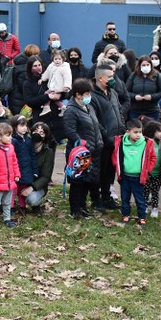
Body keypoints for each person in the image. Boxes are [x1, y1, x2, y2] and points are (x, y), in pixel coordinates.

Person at [64, 78, 104, 218]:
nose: (89, 96)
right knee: (77, 182)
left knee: (88, 180)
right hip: (80, 152)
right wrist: (83, 143)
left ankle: (83, 206)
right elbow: (70, 131)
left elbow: (95, 125)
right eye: (86, 94)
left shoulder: (89, 107)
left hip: (94, 150)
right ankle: (75, 209)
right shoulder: (71, 110)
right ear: (78, 95)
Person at [90, 64, 124, 211]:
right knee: (99, 171)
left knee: (110, 172)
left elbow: (120, 112)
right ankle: (96, 200)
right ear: (100, 78)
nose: (113, 79)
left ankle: (106, 197)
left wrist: (122, 127)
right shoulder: (92, 96)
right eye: (110, 77)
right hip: (102, 141)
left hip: (115, 140)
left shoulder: (113, 93)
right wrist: (106, 136)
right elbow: (95, 120)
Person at [112, 118, 156, 225]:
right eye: (135, 132)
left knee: (139, 198)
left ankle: (142, 217)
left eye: (140, 132)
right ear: (128, 132)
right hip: (125, 177)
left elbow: (152, 158)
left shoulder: (146, 143)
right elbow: (115, 156)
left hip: (138, 177)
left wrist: (147, 170)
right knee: (125, 198)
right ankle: (125, 215)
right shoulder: (121, 142)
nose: (138, 135)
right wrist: (117, 168)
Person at [0, 122, 20, 228]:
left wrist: (17, 174)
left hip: (10, 180)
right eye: (8, 135)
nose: (11, 137)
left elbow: (14, 161)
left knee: (7, 202)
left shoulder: (11, 147)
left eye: (11, 135)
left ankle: (7, 219)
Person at [11, 115, 38, 215]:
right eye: (21, 125)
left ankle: (22, 206)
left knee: (23, 188)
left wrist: (34, 170)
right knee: (14, 189)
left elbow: (33, 155)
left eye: (25, 125)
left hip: (27, 169)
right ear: (15, 127)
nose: (24, 128)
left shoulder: (28, 140)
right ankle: (11, 207)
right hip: (16, 168)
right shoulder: (13, 140)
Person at [126, 54, 161, 120]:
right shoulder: (133, 75)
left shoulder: (156, 75)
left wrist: (152, 97)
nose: (146, 67)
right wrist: (134, 97)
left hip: (152, 110)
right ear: (139, 66)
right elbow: (126, 91)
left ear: (151, 65)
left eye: (147, 65)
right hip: (135, 110)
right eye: (143, 65)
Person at [28, 123, 56, 211]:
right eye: (36, 131)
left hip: (38, 185)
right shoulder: (24, 146)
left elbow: (46, 176)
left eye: (41, 132)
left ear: (45, 136)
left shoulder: (48, 152)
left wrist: (33, 187)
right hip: (23, 180)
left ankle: (36, 204)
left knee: (32, 199)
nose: (38, 134)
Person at [141, 120, 161, 219]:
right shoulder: (145, 142)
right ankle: (144, 206)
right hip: (147, 173)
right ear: (153, 131)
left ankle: (155, 208)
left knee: (155, 191)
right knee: (145, 191)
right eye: (160, 131)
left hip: (157, 173)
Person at [8, 44, 40, 115]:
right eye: (37, 54)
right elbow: (24, 87)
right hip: (20, 101)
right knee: (22, 121)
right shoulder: (25, 69)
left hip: (15, 98)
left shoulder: (20, 64)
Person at [39, 49, 72, 116]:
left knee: (47, 94)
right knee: (54, 98)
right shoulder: (51, 66)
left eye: (59, 59)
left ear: (63, 59)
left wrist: (67, 86)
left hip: (59, 87)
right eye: (55, 59)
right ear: (53, 59)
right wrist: (42, 79)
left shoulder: (65, 67)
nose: (57, 61)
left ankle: (46, 107)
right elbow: (46, 73)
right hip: (52, 85)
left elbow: (68, 77)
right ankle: (62, 107)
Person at [22, 56, 53, 122]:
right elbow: (29, 101)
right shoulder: (27, 83)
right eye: (35, 66)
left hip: (54, 114)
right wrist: (46, 97)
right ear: (30, 68)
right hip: (38, 116)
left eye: (39, 65)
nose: (38, 67)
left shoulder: (49, 78)